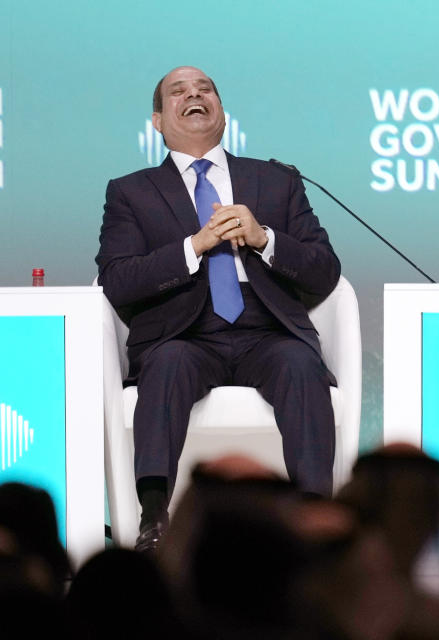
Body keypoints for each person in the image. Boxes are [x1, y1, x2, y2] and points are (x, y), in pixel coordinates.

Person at [96, 66, 341, 553]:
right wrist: (195, 246)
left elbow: (324, 270)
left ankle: (314, 516)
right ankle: (154, 518)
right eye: (179, 92)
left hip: (266, 328)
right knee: (166, 366)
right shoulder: (131, 191)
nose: (194, 96)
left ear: (223, 114)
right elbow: (118, 279)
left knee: (299, 363)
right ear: (157, 121)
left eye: (205, 89)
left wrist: (264, 238)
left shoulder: (276, 180)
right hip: (183, 332)